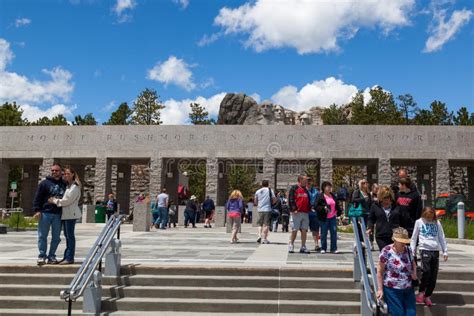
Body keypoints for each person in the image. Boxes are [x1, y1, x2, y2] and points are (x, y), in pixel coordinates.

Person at [410, 206, 448, 307]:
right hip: (424, 249)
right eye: (427, 217)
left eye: (431, 217)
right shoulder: (419, 222)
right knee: (426, 271)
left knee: (433, 275)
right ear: (423, 215)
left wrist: (445, 251)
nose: (429, 219)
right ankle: (421, 292)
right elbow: (414, 238)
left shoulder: (437, 223)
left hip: (435, 250)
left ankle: (428, 295)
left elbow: (441, 237)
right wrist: (412, 251)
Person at [377, 227, 417, 316]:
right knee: (397, 313)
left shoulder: (408, 250)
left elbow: (413, 263)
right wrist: (380, 289)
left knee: (411, 313)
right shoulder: (386, 251)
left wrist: (414, 272)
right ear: (394, 240)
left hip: (408, 287)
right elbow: (380, 271)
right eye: (401, 241)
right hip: (392, 289)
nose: (403, 243)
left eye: (405, 241)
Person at [33, 163, 67, 265]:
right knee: (42, 236)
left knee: (56, 237)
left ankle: (52, 256)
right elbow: (37, 197)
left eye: (56, 170)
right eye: (52, 170)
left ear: (60, 172)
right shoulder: (44, 183)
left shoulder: (65, 184)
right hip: (45, 213)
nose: (54, 172)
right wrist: (37, 210)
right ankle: (42, 256)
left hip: (58, 214)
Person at [49, 167, 81, 265]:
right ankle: (67, 256)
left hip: (71, 214)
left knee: (70, 236)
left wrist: (54, 200)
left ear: (73, 174)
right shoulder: (68, 186)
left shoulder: (75, 187)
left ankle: (69, 257)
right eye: (64, 174)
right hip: (66, 214)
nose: (65, 175)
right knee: (67, 236)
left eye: (67, 174)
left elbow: (67, 201)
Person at [367, 186, 401, 251]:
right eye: (385, 197)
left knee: (394, 256)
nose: (387, 199)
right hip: (381, 236)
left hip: (395, 236)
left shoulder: (396, 206)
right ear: (380, 197)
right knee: (385, 254)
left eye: (389, 197)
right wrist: (370, 227)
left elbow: (402, 218)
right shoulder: (375, 206)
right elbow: (371, 218)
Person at [314, 181, 342, 254]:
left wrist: (338, 212)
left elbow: (337, 205)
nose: (329, 188)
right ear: (324, 188)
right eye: (328, 186)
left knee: (334, 233)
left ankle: (334, 248)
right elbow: (316, 206)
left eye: (330, 186)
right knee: (323, 233)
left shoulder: (333, 195)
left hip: (332, 217)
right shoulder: (320, 196)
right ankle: (323, 248)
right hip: (324, 217)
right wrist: (324, 208)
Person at [288, 175, 311, 253]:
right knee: (295, 229)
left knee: (304, 230)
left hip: (305, 212)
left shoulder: (306, 190)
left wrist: (310, 208)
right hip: (296, 213)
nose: (307, 181)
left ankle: (303, 246)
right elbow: (291, 199)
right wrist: (293, 209)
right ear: (300, 180)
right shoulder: (294, 188)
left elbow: (308, 200)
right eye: (305, 180)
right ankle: (291, 245)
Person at [352, 179, 373, 247]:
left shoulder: (368, 193)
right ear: (361, 184)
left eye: (366, 182)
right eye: (363, 183)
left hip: (367, 213)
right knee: (359, 228)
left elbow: (370, 203)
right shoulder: (357, 192)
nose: (365, 184)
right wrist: (363, 199)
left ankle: (367, 242)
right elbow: (354, 200)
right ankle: (360, 241)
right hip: (359, 213)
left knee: (367, 228)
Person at [255, 180, 276, 244]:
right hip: (267, 209)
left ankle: (259, 236)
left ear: (262, 184)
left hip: (260, 209)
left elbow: (255, 201)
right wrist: (272, 203)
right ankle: (264, 238)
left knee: (259, 224)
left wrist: (258, 205)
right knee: (266, 224)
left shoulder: (258, 191)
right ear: (268, 184)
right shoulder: (270, 190)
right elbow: (274, 199)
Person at [306, 177, 321, 251]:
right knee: (303, 230)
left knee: (315, 230)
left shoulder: (316, 191)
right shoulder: (303, 191)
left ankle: (316, 244)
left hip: (314, 214)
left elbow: (319, 200)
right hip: (305, 213)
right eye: (307, 181)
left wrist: (314, 206)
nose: (308, 183)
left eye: (310, 181)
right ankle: (303, 245)